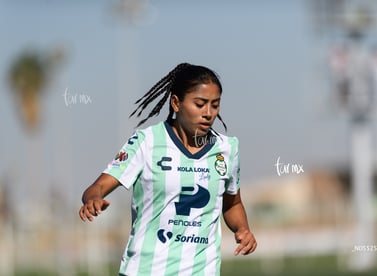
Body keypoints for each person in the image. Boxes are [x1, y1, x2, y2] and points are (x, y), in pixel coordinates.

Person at [79, 62, 257, 275]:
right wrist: (93, 199)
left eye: (215, 105)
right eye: (200, 104)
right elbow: (98, 186)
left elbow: (232, 203)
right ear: (176, 103)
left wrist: (242, 229)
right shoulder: (146, 142)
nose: (209, 113)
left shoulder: (227, 149)